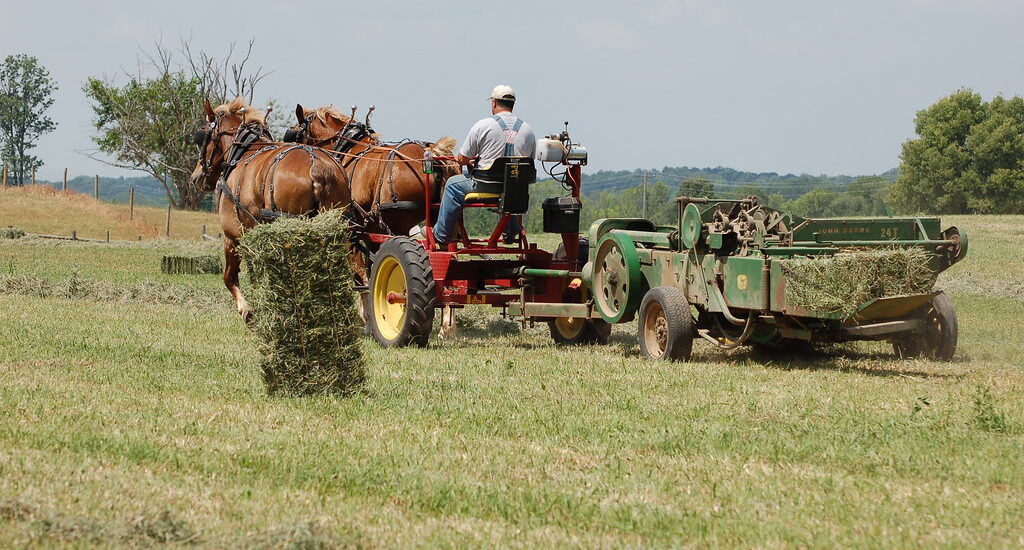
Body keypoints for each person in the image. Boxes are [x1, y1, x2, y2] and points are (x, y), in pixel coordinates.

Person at [432, 84, 536, 246]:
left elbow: (462, 158)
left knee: (452, 185)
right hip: (515, 190)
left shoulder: (483, 125)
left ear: (494, 103)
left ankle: (441, 234)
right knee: (510, 185)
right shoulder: (528, 130)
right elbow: (528, 161)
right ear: (512, 104)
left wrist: (473, 161)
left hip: (485, 187)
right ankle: (511, 230)